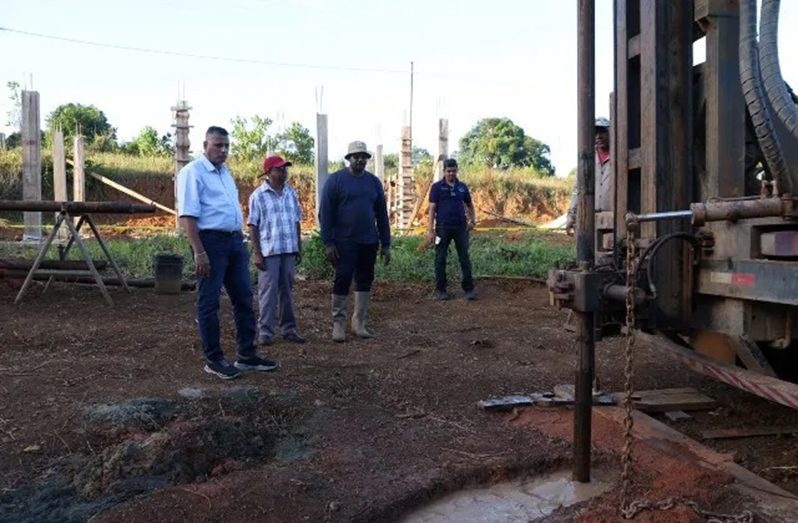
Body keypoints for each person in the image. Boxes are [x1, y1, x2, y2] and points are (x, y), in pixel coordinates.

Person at [177, 126, 277, 380]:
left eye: (226, 146)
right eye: (217, 145)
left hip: (234, 242)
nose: (223, 150)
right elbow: (187, 216)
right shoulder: (193, 172)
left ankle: (246, 355)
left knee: (244, 298)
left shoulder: (225, 173)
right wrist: (199, 252)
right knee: (209, 302)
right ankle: (214, 358)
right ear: (205, 145)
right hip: (210, 243)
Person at [319, 141, 391, 342]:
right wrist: (328, 243)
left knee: (365, 280)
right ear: (348, 158)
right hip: (344, 242)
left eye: (363, 157)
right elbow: (325, 213)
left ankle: (359, 322)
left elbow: (382, 215)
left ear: (367, 159)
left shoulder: (373, 182)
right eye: (356, 156)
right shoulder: (336, 181)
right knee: (342, 278)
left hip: (368, 241)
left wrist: (386, 243)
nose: (360, 160)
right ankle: (338, 324)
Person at [248, 155, 305, 347]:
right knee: (268, 292)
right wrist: (257, 253)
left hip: (288, 249)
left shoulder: (291, 193)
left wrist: (298, 245)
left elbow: (297, 220)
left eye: (285, 169)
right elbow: (253, 226)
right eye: (279, 169)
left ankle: (289, 329)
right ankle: (265, 331)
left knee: (287, 291)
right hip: (269, 251)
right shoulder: (258, 196)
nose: (283, 172)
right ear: (269, 172)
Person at [426, 158, 476, 301]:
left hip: (461, 228)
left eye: (453, 171)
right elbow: (432, 209)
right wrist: (430, 230)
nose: (451, 174)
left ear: (457, 170)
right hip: (442, 228)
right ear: (444, 171)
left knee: (464, 258)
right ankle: (441, 290)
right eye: (448, 171)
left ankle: (469, 289)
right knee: (440, 258)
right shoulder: (437, 187)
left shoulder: (462, 187)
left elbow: (469, 205)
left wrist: (472, 220)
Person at [565, 117, 612, 235]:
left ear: (610, 132)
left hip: (614, 219)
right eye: (596, 133)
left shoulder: (619, 157)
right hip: (591, 219)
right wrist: (572, 215)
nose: (599, 136)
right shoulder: (588, 159)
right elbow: (578, 189)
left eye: (602, 132)